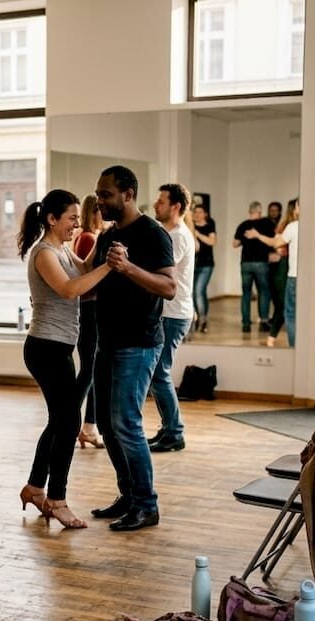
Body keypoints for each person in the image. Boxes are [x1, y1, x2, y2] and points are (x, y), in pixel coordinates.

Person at [88, 166, 176, 532]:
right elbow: (91, 282)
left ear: (127, 193)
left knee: (126, 422)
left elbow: (169, 287)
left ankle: (146, 504)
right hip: (106, 341)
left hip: (138, 342)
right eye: (98, 193)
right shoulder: (107, 236)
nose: (100, 201)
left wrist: (128, 268)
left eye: (106, 194)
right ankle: (129, 495)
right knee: (108, 424)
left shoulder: (153, 234)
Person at [17, 190, 112, 529]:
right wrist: (108, 267)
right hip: (45, 347)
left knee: (60, 421)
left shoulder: (62, 250)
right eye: (71, 218)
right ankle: (56, 498)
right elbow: (71, 290)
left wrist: (103, 249)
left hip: (57, 346)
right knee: (70, 422)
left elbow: (84, 271)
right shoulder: (43, 253)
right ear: (52, 219)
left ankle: (33, 486)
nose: (76, 223)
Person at [148, 183, 195, 453]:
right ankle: (169, 429)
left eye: (161, 200)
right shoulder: (172, 233)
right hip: (171, 313)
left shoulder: (177, 236)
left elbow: (157, 271)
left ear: (175, 206)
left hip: (173, 314)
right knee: (158, 373)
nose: (156, 203)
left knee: (159, 373)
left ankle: (174, 432)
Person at [74, 193, 104, 448]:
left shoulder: (87, 237)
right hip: (89, 310)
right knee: (88, 369)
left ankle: (89, 427)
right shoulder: (87, 238)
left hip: (91, 309)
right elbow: (89, 278)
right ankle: (70, 421)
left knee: (93, 370)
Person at [256, 198, 299, 348]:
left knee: (287, 309)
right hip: (283, 269)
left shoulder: (293, 226)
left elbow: (277, 245)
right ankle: (272, 337)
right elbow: (277, 245)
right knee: (284, 307)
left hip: (289, 269)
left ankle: (274, 338)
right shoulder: (287, 226)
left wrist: (258, 236)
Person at [232, 201, 275, 333]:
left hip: (246, 264)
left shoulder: (243, 225)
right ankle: (263, 322)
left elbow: (235, 243)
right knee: (263, 292)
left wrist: (246, 239)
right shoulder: (267, 224)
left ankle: (246, 324)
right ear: (260, 212)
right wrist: (258, 236)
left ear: (249, 211)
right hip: (261, 263)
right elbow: (273, 241)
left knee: (246, 294)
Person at [190, 203, 216, 334]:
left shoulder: (209, 225)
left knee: (198, 291)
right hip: (193, 264)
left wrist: (197, 234)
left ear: (205, 214)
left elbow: (212, 242)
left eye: (200, 212)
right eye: (195, 212)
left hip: (206, 265)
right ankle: (195, 318)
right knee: (195, 293)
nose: (197, 214)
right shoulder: (189, 226)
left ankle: (203, 320)